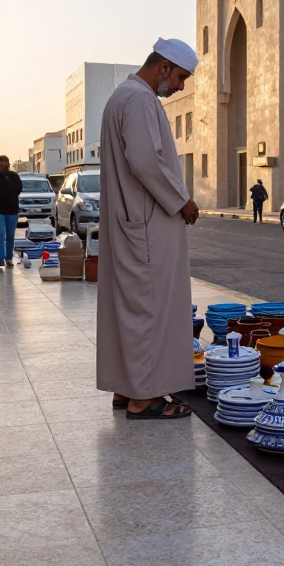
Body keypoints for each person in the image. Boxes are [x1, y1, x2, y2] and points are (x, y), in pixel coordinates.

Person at [97, 37, 199, 420]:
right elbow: (146, 161)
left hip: (133, 223)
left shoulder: (123, 96)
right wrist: (182, 201)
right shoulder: (139, 99)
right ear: (163, 67)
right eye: (181, 77)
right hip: (146, 225)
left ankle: (127, 389)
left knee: (132, 307)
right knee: (148, 309)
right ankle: (145, 399)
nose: (180, 87)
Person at [0, 155, 22, 269]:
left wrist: (8, 182)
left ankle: (9, 258)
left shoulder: (14, 177)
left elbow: (19, 189)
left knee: (10, 235)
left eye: (4, 164)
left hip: (12, 210)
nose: (2, 166)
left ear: (8, 164)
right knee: (0, 234)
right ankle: (1, 258)